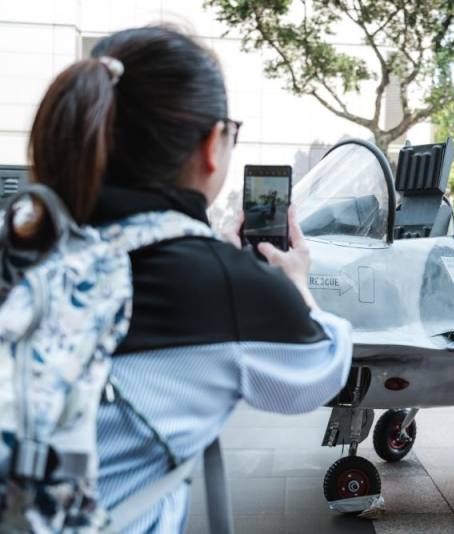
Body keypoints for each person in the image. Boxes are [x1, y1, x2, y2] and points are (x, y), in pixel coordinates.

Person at [23, 26, 352, 532]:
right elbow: (320, 375)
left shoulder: (25, 249)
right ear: (211, 145)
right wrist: (295, 284)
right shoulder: (225, 286)